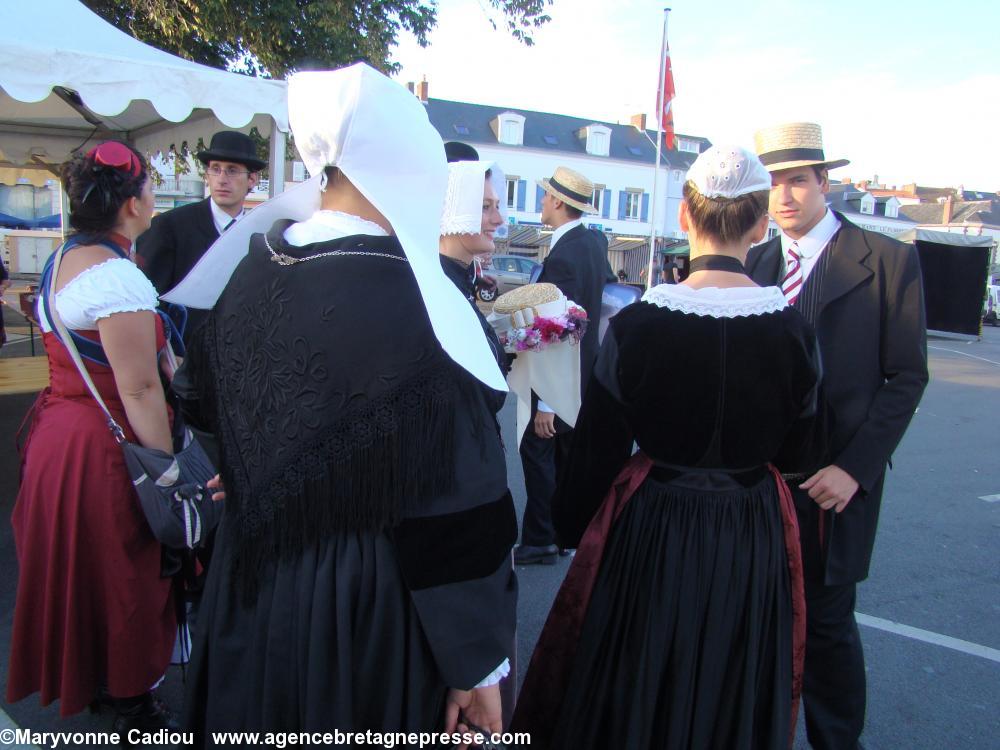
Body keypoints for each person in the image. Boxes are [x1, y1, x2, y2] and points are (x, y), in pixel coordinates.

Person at [177, 64, 517, 744]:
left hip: (250, 586)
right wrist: (475, 667)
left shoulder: (252, 267)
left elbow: (200, 398)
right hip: (366, 609)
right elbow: (457, 517)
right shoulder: (421, 304)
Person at [512, 145, 828, 749]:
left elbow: (599, 448)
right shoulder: (792, 330)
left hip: (653, 526)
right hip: (749, 527)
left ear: (686, 216)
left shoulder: (638, 325)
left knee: (641, 670)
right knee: (728, 674)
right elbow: (803, 449)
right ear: (761, 223)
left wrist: (578, 526)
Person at [746, 122, 928, 750]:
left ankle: (836, 743)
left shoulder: (888, 261)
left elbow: (906, 378)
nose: (784, 196)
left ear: (826, 181)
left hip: (835, 484)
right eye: (772, 183)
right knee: (761, 621)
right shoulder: (756, 263)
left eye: (798, 180)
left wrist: (856, 468)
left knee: (826, 626)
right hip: (760, 479)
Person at [6, 141, 178, 732]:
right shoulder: (114, 275)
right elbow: (138, 392)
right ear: (131, 205)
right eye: (150, 186)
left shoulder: (65, 257)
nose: (154, 196)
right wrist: (165, 467)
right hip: (103, 447)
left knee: (83, 567)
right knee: (123, 569)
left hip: (60, 434)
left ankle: (99, 678)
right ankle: (129, 697)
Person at [515, 166, 614, 566]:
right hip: (585, 374)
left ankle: (540, 539)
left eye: (544, 196)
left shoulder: (567, 255)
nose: (541, 202)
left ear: (558, 201)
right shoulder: (593, 244)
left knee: (537, 453)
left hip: (561, 381)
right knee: (562, 459)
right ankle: (559, 533)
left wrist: (546, 404)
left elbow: (560, 328)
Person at [137, 130, 265, 343]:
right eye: (216, 169)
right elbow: (148, 300)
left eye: (232, 171)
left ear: (252, 179)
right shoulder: (170, 226)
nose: (222, 179)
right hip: (184, 356)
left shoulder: (261, 233)